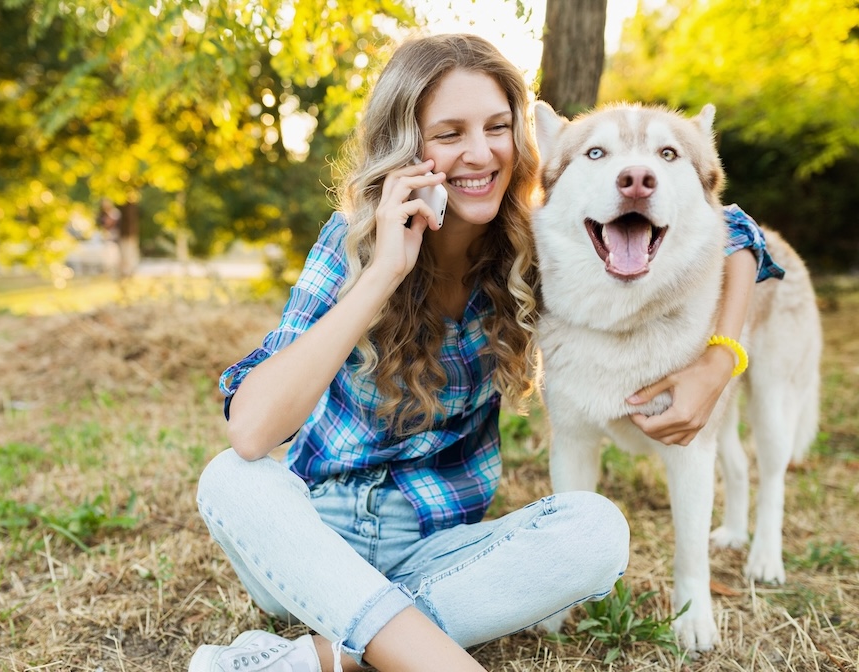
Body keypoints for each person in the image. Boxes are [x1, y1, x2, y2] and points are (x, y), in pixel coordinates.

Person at [191, 33, 781, 672]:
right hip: (311, 545)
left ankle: (329, 654)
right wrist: (384, 271)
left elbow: (734, 226)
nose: (480, 153)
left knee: (597, 530)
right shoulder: (355, 240)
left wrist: (720, 357)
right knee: (231, 479)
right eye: (449, 134)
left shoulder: (536, 243)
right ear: (407, 146)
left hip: (441, 550)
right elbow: (250, 429)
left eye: (498, 127)